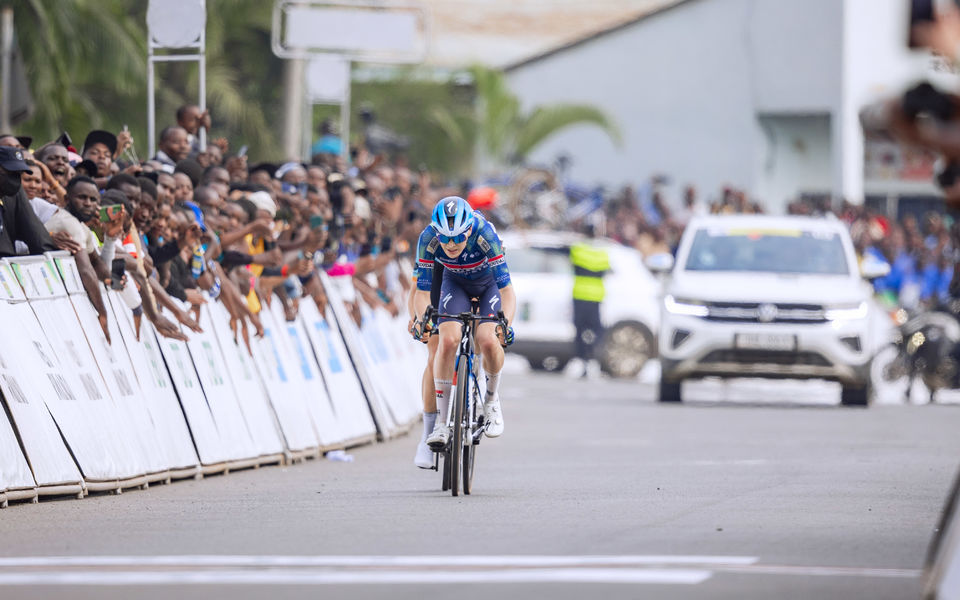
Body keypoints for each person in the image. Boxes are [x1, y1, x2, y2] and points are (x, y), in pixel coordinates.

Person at [411, 196, 516, 451]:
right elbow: (422, 292)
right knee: (447, 341)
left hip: (488, 285)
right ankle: (442, 424)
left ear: (468, 229)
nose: (450, 244)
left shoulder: (485, 233)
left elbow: (507, 291)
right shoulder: (428, 239)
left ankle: (490, 402)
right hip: (454, 284)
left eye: (458, 237)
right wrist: (422, 318)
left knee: (488, 340)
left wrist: (506, 324)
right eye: (445, 238)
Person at [0, 146, 58, 257]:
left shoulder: (14, 195)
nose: (15, 180)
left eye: (18, 174)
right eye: (10, 173)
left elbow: (38, 238)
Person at [569, 223, 610, 379]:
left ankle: (583, 358)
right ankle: (593, 355)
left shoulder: (578, 249)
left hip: (580, 296)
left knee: (579, 331)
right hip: (596, 297)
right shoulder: (603, 253)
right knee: (597, 330)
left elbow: (571, 261)